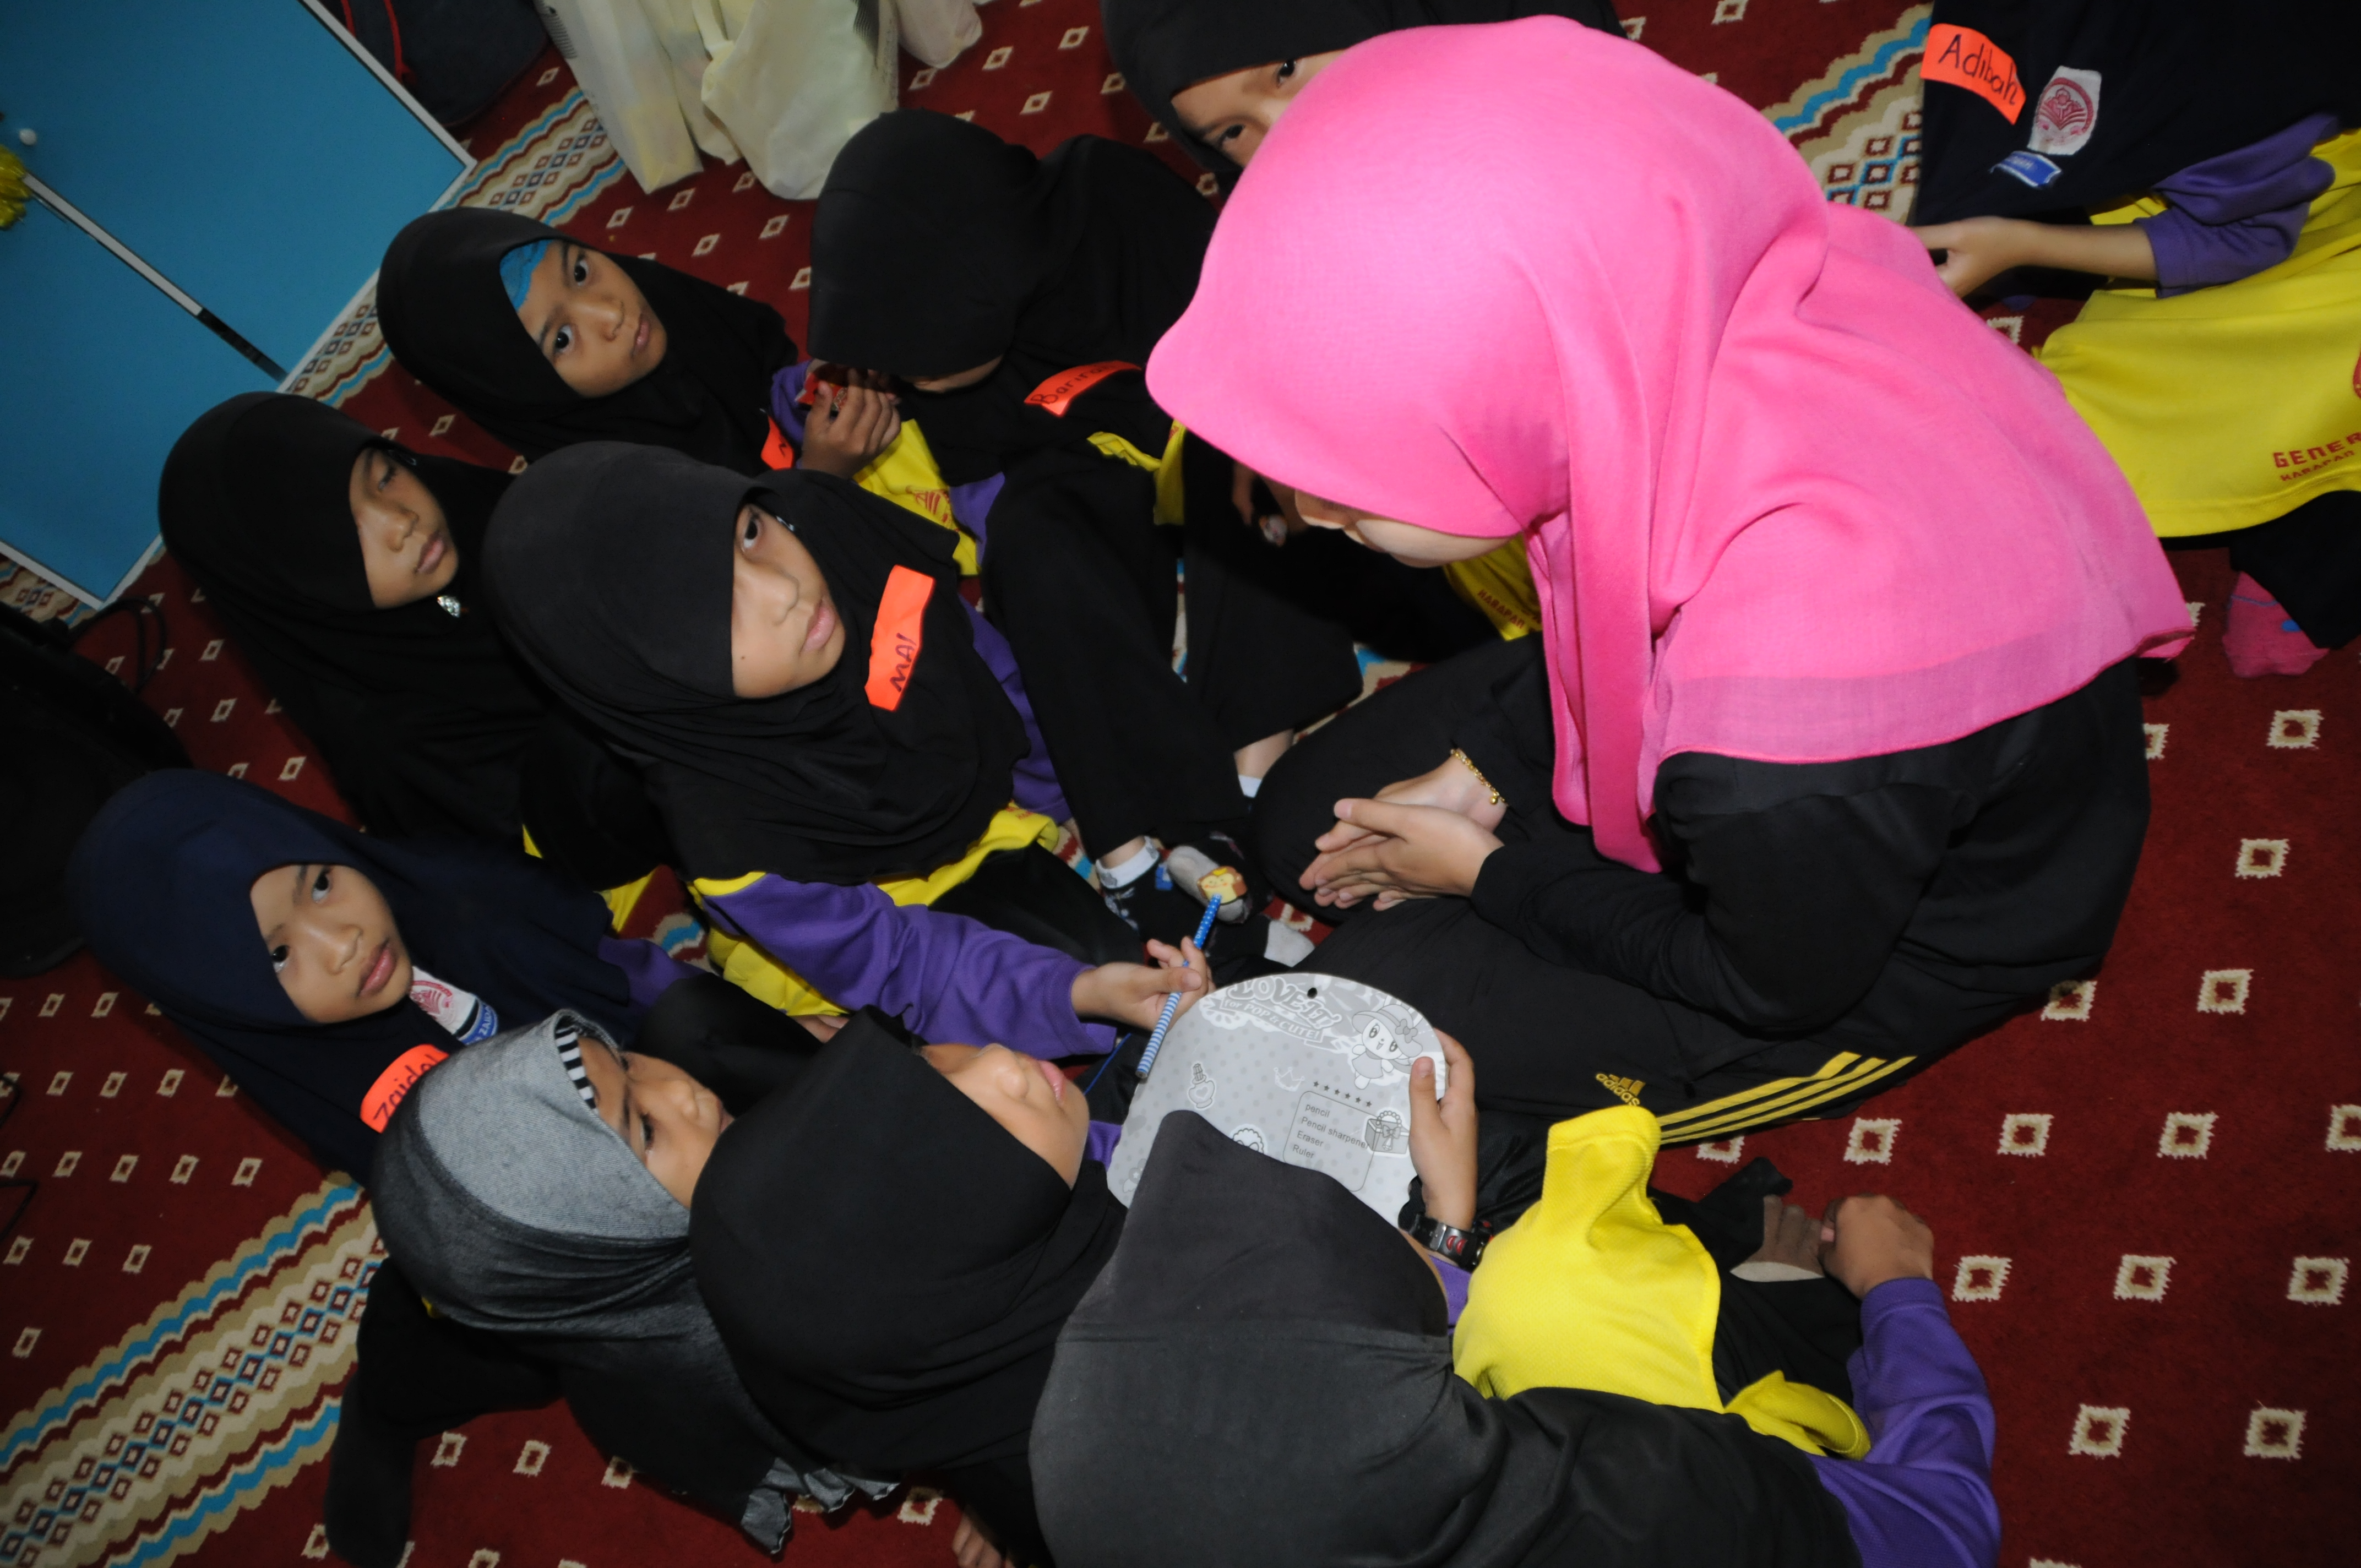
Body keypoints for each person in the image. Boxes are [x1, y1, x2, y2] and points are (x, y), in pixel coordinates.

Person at [1146, 19, 2193, 1137]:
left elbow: (1765, 981)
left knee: (1358, 1012)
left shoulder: (1776, 725)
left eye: (1342, 472)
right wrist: (1485, 769)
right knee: (1301, 823)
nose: (1306, 510)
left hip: (1869, 944)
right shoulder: (1690, 308)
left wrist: (1488, 876)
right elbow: (1619, 612)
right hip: (1774, 768)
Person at [62, 767, 813, 1568]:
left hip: (649, 1088)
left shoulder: (462, 897)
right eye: (279, 954)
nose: (342, 941)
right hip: (538, 1216)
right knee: (497, 1332)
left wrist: (791, 1051)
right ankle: (389, 1402)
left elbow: (643, 984)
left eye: (320, 882)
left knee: (711, 1041)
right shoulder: (313, 1069)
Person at [808, 110, 1485, 954]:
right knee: (1028, 535)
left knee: (1236, 459)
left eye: (916, 356)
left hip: (1230, 417)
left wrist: (1179, 448)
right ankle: (1132, 840)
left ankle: (1246, 780)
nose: (905, 378)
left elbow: (1257, 354)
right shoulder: (945, 360)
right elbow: (1013, 471)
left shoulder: (1110, 203)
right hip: (1096, 463)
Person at [1030, 1111, 1999, 1568]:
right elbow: (1946, 1529)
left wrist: (1447, 1235)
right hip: (1793, 1495)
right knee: (1554, 1285)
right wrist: (1898, 1290)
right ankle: (1781, 1298)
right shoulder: (1659, 1500)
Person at [483, 442, 1207, 1044]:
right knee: (1102, 989)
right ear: (660, 679)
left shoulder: (825, 528)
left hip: (969, 791)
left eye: (748, 533)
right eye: (718, 614)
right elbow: (900, 964)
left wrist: (1090, 807)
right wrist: (1076, 993)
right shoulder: (734, 837)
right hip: (879, 890)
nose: (784, 592)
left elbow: (995, 677)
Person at [1910, 0, 2361, 676]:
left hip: (2304, 235)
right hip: (2214, 135)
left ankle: (2314, 556)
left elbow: (2245, 240)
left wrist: (2026, 242)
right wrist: (1990, 209)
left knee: (2284, 398)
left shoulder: (2243, 80)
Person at [368, 1010, 880, 1559]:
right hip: (562, 1336)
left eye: (626, 1061)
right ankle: (381, 1405)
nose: (680, 1090)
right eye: (646, 1130)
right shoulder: (740, 1344)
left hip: (545, 1297)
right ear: (596, 1247)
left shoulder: (592, 1255)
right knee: (493, 1373)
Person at [159, 393, 670, 890]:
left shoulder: (450, 502)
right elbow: (544, 851)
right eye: (346, 531)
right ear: (289, 583)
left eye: (384, 476)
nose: (401, 521)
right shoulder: (385, 739)